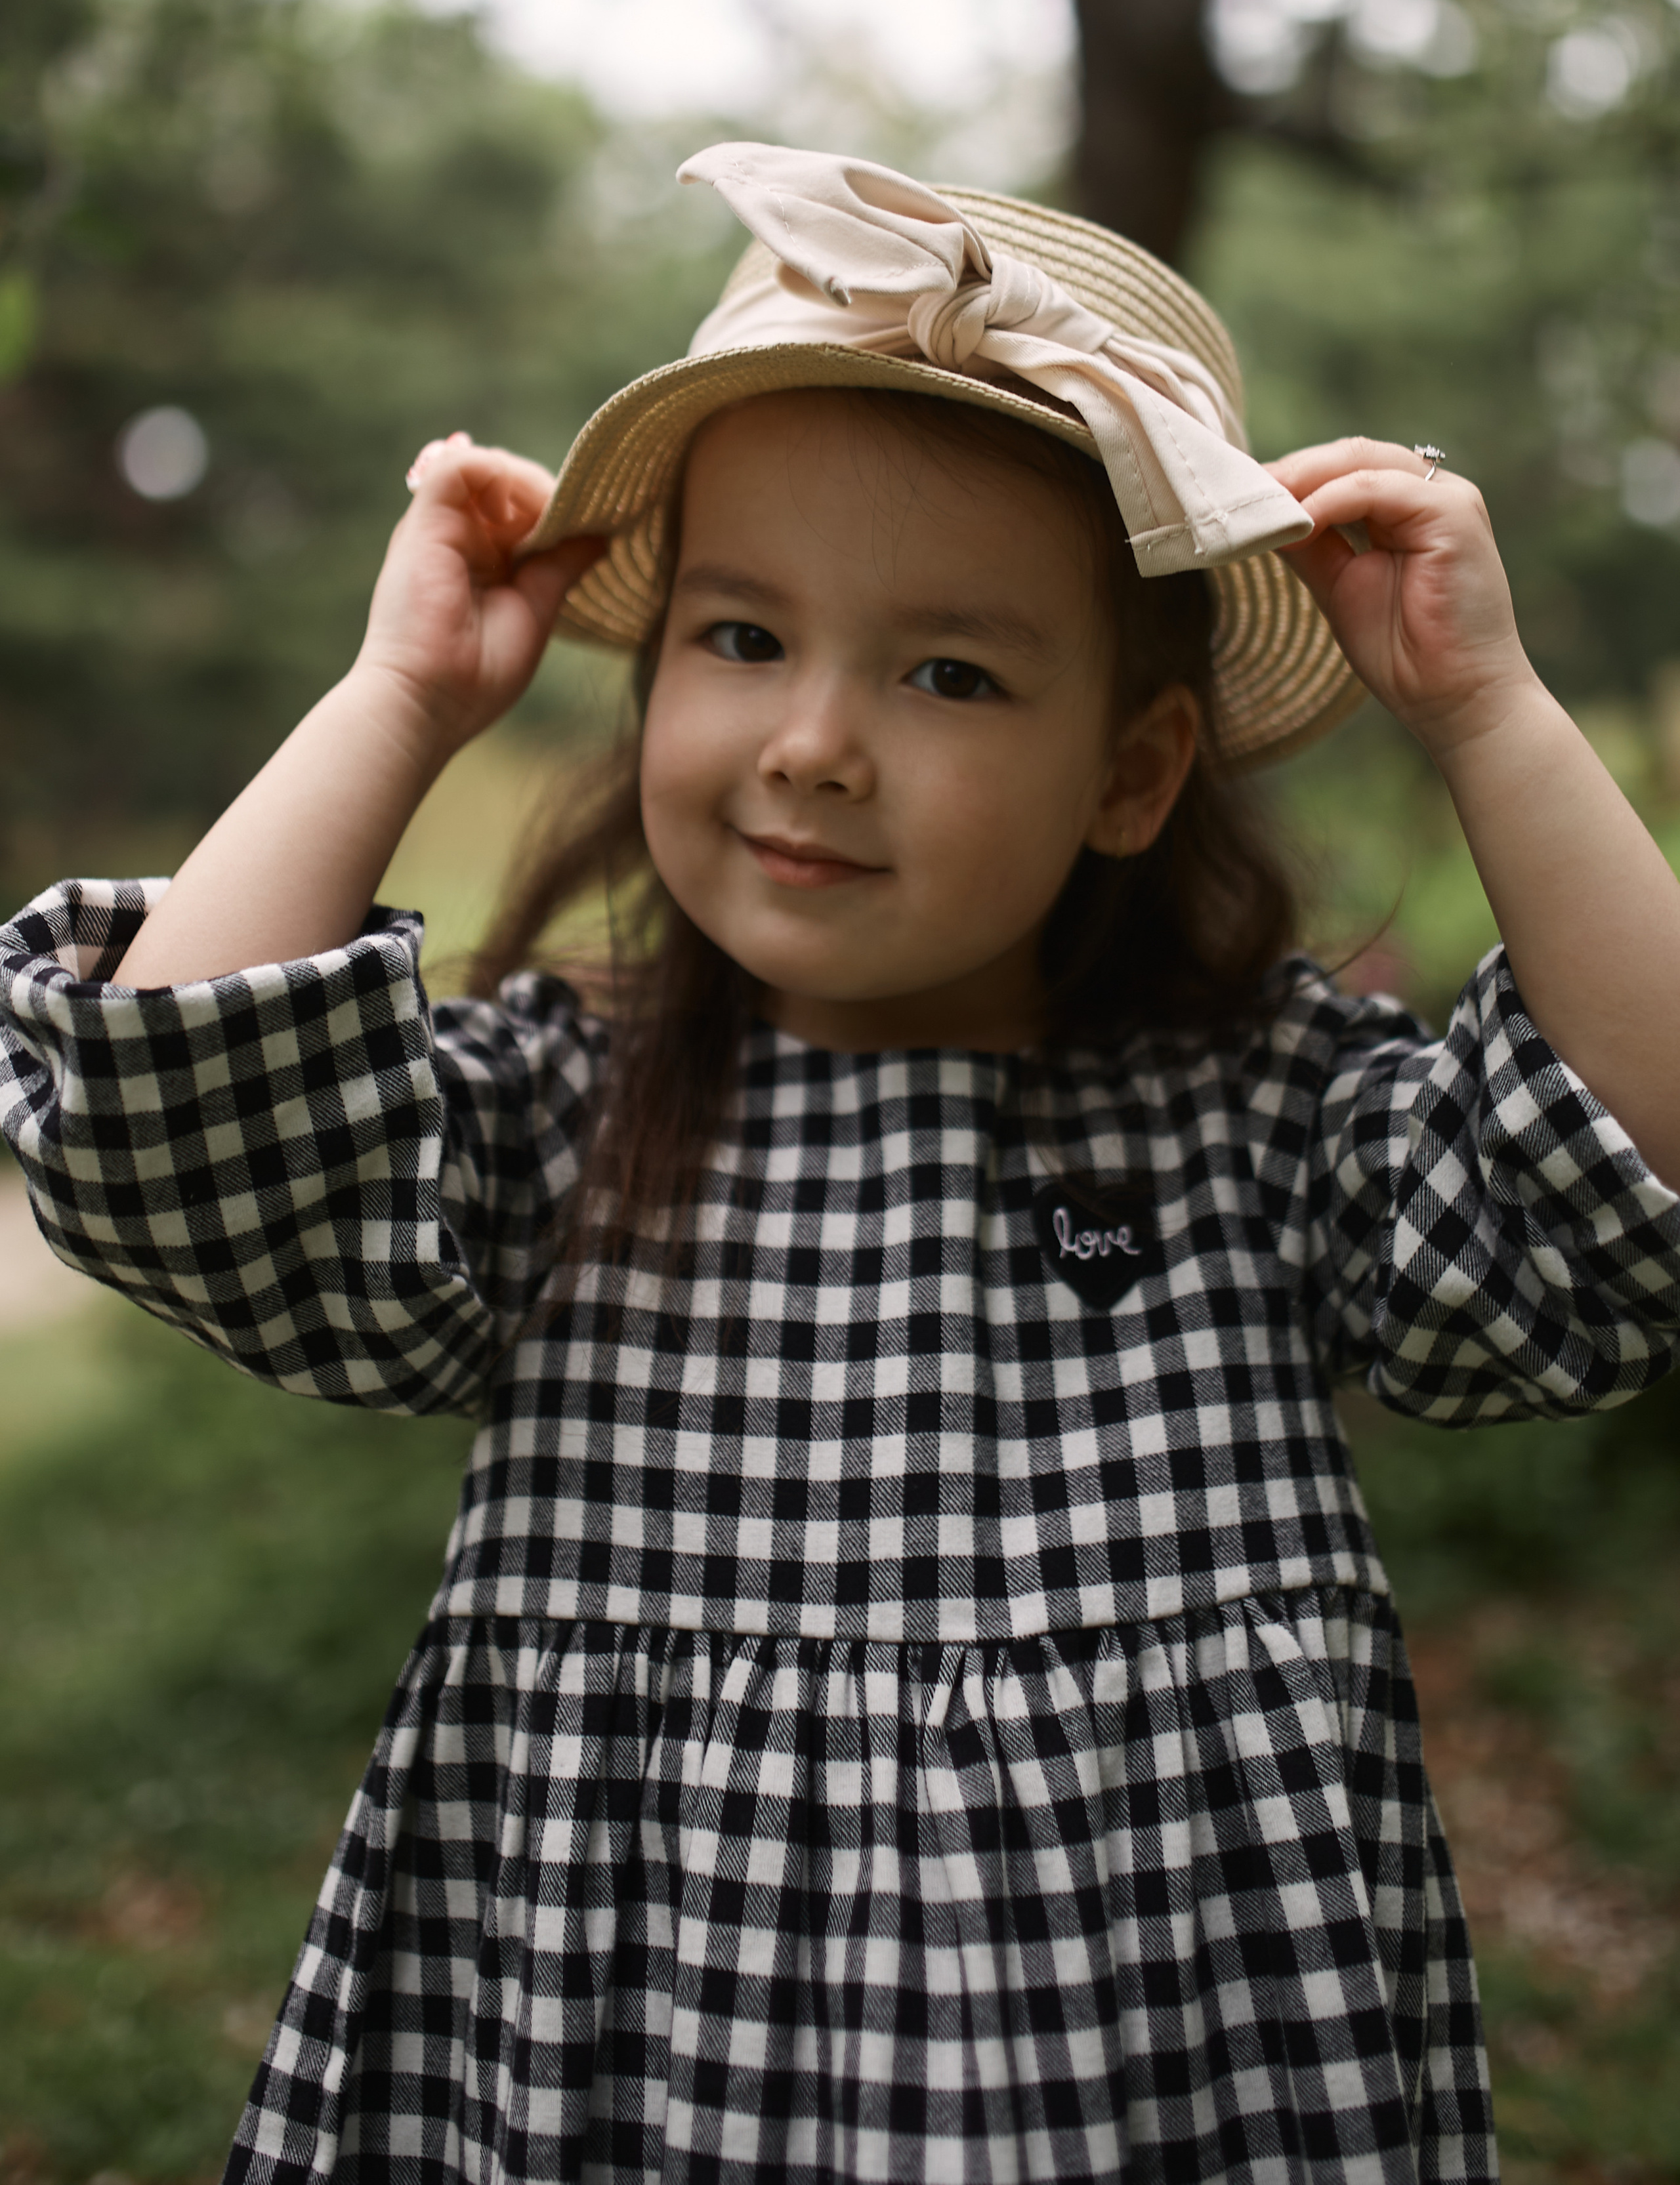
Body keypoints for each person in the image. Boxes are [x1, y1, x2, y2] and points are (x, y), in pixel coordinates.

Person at [2, 143, 1677, 2185]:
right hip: (626, 2059)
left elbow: (1622, 1191)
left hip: (1157, 2073)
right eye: (737, 637)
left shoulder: (1257, 1112)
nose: (812, 740)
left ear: (1135, 773)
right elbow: (168, 1135)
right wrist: (402, 696)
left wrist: (1490, 714)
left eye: (949, 671)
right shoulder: (566, 1116)